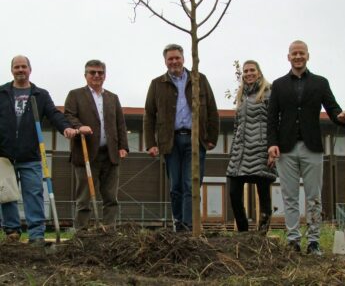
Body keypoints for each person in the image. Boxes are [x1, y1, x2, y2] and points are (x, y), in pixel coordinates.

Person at [267, 40, 345, 255]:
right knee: (290, 196)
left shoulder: (320, 83)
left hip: (312, 146)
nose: (298, 57)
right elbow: (271, 117)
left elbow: (333, 109)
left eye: (301, 53)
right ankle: (293, 240)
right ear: (288, 57)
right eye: (294, 53)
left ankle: (314, 242)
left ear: (307, 56)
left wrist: (343, 117)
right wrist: (272, 143)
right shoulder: (278, 84)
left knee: (314, 197)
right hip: (285, 148)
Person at [0, 55, 76, 245]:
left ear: (30, 70)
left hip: (30, 155)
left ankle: (36, 235)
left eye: (23, 67)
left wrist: (65, 128)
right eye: (16, 67)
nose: (20, 70)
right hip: (4, 155)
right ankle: (12, 231)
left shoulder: (40, 94)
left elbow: (54, 114)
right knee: (7, 194)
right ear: (12, 70)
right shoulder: (2, 93)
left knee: (34, 193)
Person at [144, 44, 219, 232]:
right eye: (170, 59)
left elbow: (212, 109)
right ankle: (178, 223)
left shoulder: (199, 79)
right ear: (165, 61)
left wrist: (212, 138)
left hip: (195, 140)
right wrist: (151, 144)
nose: (174, 61)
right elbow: (149, 115)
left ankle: (189, 226)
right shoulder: (157, 84)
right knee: (175, 185)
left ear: (184, 59)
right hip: (170, 142)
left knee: (191, 184)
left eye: (177, 57)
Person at [64, 59, 129, 231]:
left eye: (100, 72)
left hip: (110, 154)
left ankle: (109, 230)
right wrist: (79, 126)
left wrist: (123, 146)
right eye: (92, 72)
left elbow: (120, 124)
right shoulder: (75, 95)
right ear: (85, 75)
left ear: (105, 75)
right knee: (84, 197)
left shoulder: (112, 98)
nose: (96, 75)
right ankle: (82, 232)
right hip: (85, 153)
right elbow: (69, 116)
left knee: (111, 197)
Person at [226, 60, 277, 232]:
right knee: (233, 192)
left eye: (252, 70)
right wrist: (234, 150)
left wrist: (272, 149)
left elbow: (274, 123)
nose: (248, 73)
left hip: (261, 150)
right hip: (240, 153)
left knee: (263, 194)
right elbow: (237, 125)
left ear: (259, 72)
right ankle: (243, 232)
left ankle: (262, 234)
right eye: (245, 71)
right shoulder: (241, 95)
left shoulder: (269, 92)